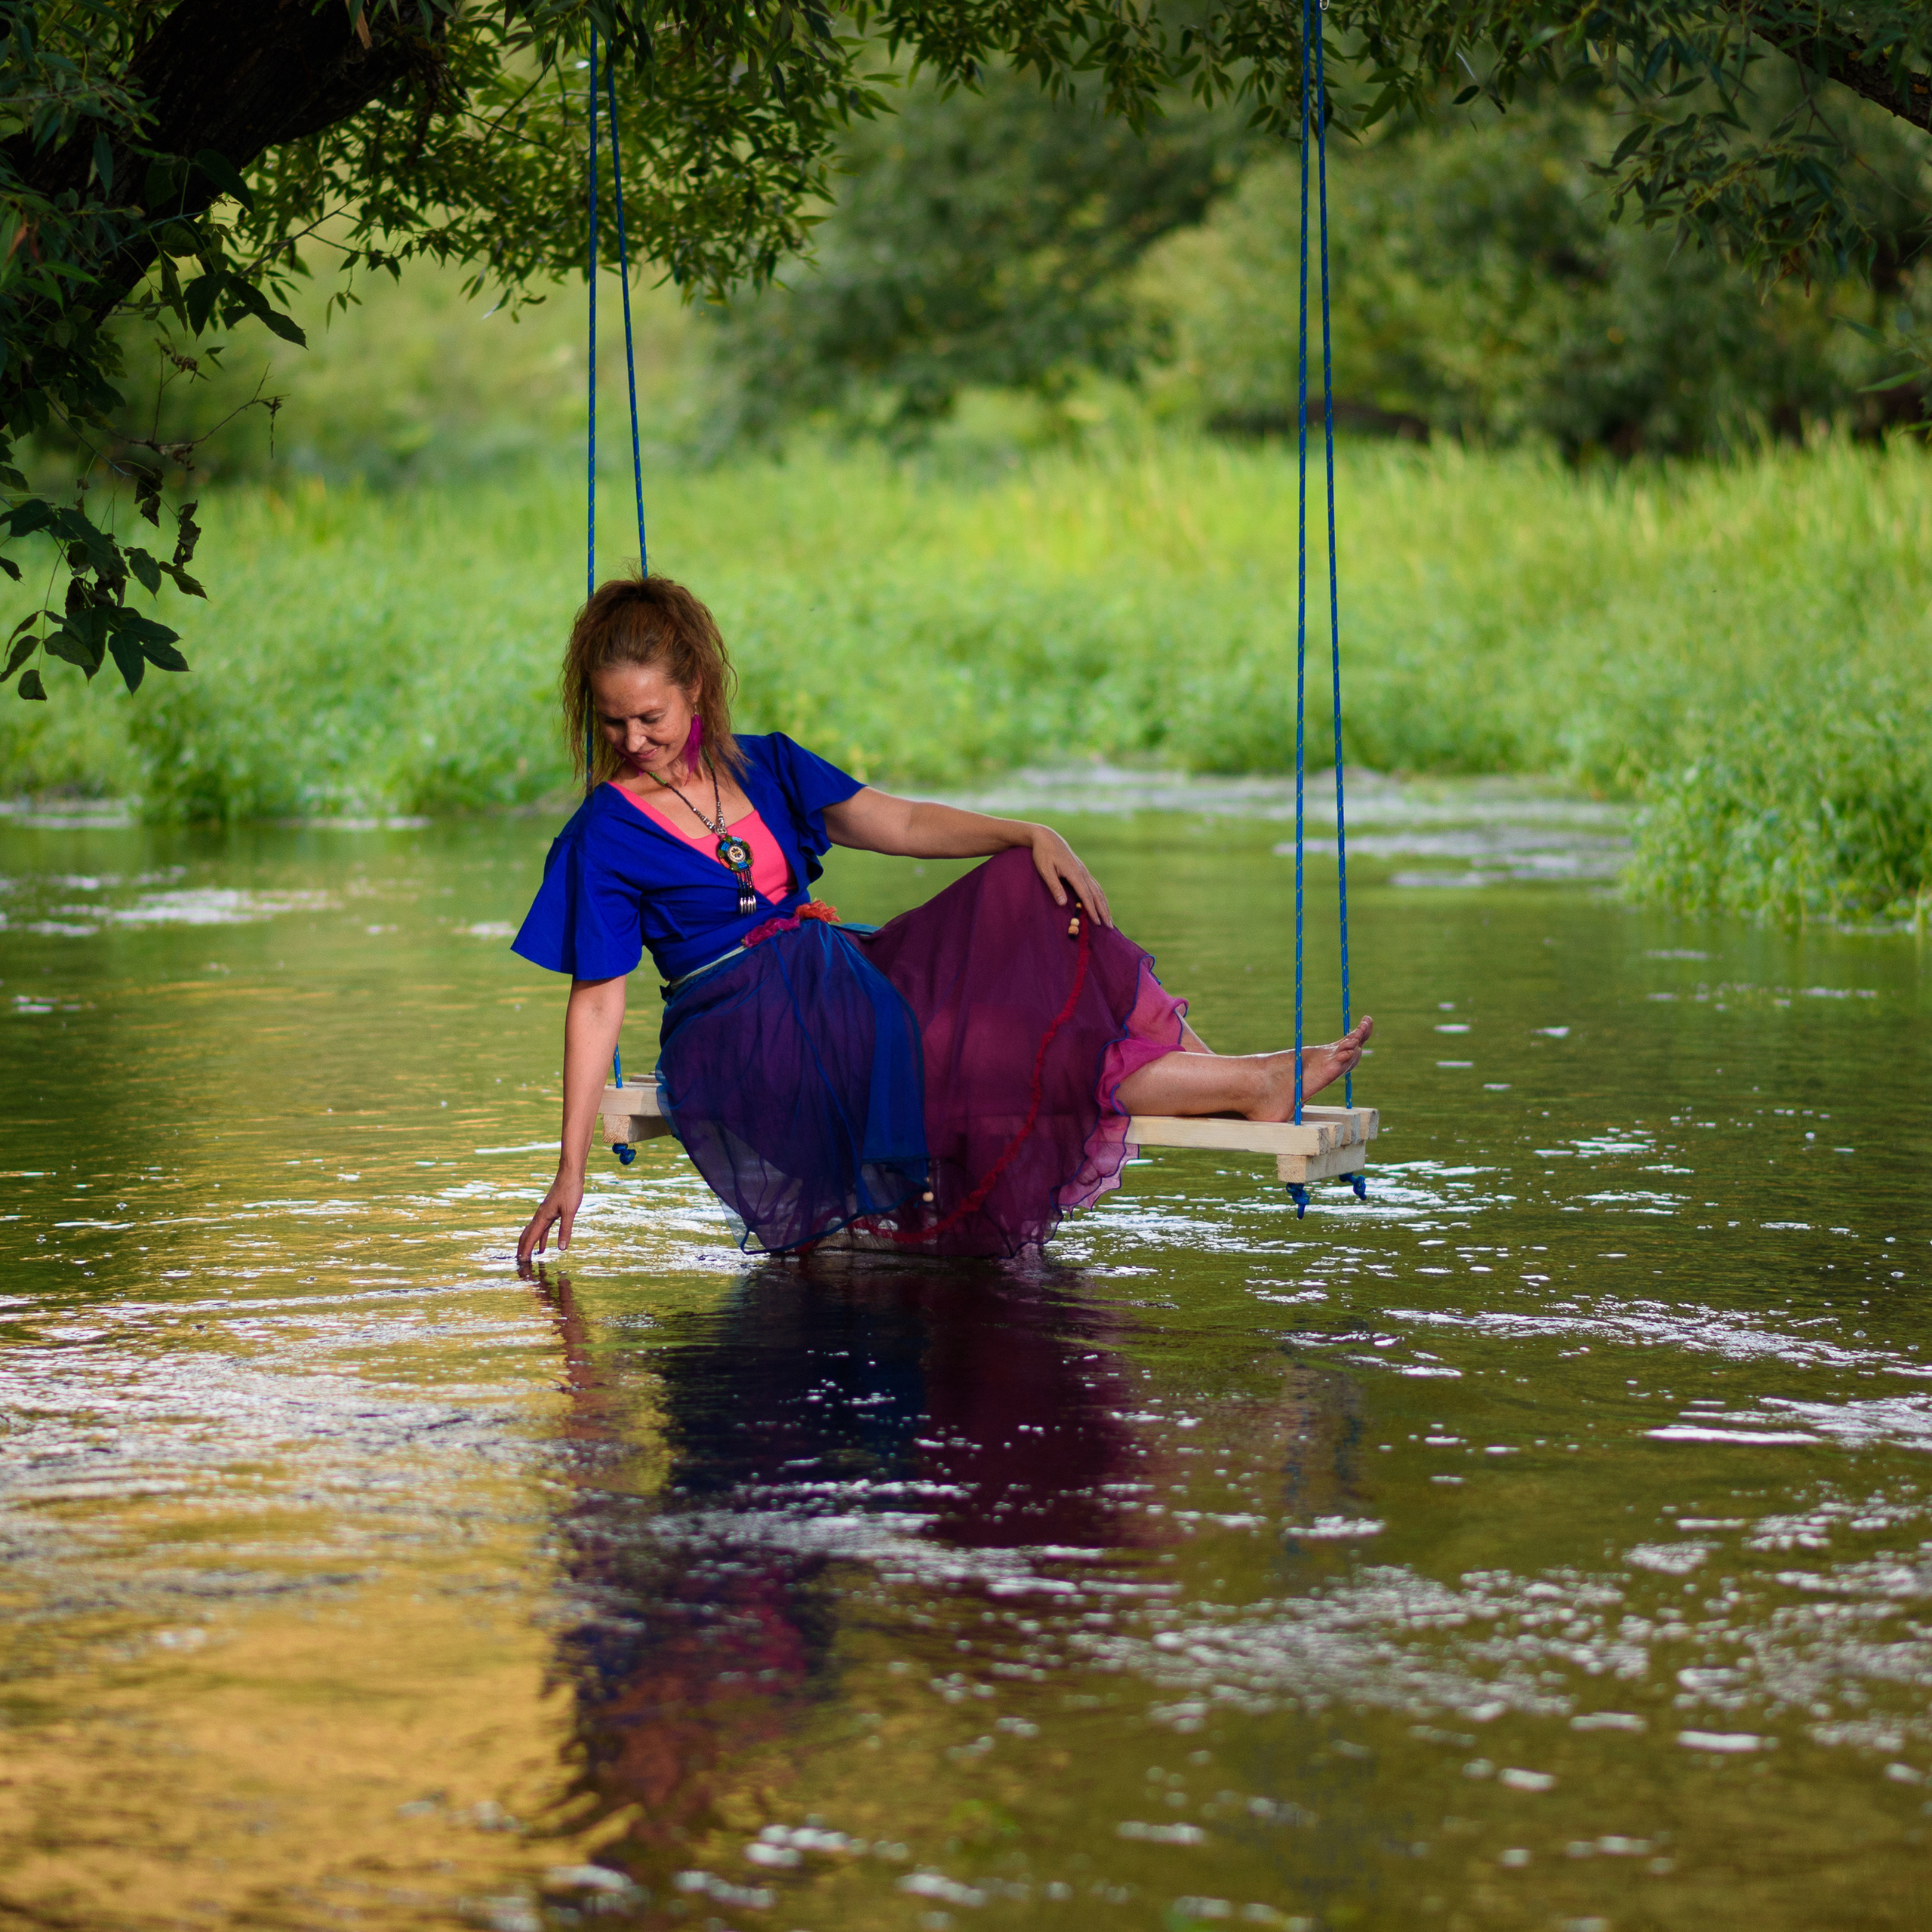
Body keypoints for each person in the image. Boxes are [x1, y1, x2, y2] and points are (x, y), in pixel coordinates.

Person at [514, 576, 1371, 1263]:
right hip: (743, 1027)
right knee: (984, 1051)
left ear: (694, 688)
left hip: (839, 976)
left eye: (650, 717)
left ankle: (1241, 1080)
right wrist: (570, 1167)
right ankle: (1247, 1083)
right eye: (613, 721)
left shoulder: (767, 765)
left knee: (1017, 898)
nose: (631, 740)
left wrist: (1028, 832)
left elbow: (903, 824)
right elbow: (598, 1000)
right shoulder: (605, 832)